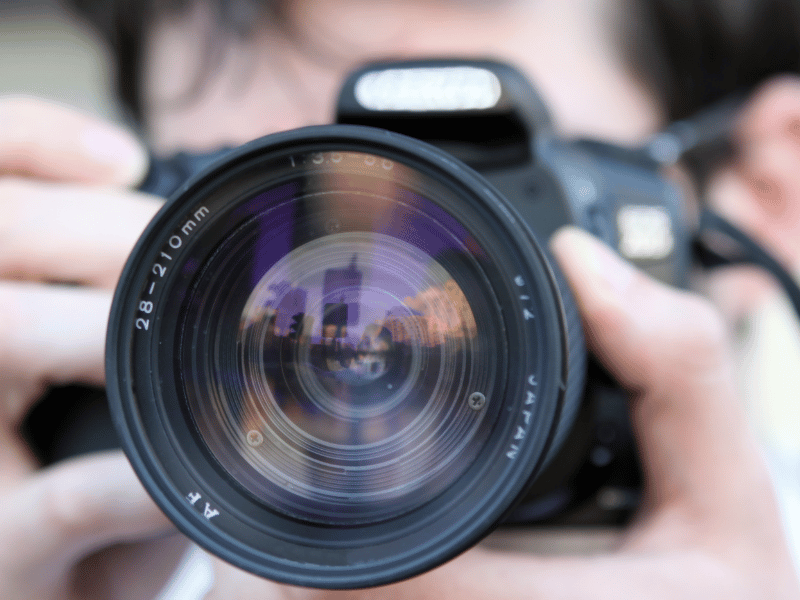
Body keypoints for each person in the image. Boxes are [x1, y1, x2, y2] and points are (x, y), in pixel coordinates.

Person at [0, 0, 799, 597]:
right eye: (253, 227)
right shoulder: (110, 545)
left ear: (770, 190)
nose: (317, 347)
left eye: (454, 200)